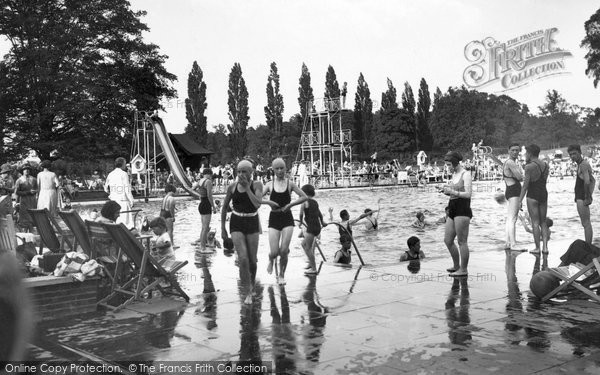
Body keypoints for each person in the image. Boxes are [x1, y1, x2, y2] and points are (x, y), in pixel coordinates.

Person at [221, 160, 274, 304]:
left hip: (252, 222)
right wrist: (222, 229)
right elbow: (224, 207)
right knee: (243, 258)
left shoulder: (257, 185)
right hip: (236, 221)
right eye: (238, 171)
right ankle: (247, 290)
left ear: (251, 173)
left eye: (244, 171)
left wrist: (247, 188)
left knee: (252, 260)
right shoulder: (232, 187)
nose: (241, 174)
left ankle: (251, 283)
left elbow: (257, 204)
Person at [262, 158, 308, 285]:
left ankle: (282, 275)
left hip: (287, 217)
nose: (280, 170)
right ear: (273, 170)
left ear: (285, 168)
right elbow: (257, 198)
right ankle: (271, 259)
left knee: (283, 250)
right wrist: (268, 202)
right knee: (274, 252)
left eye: (282, 168)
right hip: (274, 218)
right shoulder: (269, 185)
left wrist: (290, 205)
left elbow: (304, 196)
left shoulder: (290, 184)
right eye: (277, 168)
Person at [440, 151, 472, 277]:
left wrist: (452, 191)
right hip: (452, 207)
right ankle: (456, 266)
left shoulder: (466, 174)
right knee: (448, 240)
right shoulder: (454, 174)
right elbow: (453, 191)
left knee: (462, 241)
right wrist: (446, 190)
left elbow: (468, 194)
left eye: (448, 164)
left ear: (454, 162)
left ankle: (463, 269)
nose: (447, 167)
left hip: (462, 208)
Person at [518, 144, 549, 254]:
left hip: (533, 195)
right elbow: (543, 180)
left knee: (535, 223)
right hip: (543, 194)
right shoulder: (546, 165)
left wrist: (519, 200)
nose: (525, 155)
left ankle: (537, 248)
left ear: (530, 153)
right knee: (543, 222)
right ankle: (545, 247)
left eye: (526, 153)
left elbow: (525, 186)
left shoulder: (529, 166)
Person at [568, 144, 595, 244]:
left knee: (586, 223)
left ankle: (588, 246)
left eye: (574, 153)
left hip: (582, 197)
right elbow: (591, 180)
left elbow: (587, 181)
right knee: (586, 223)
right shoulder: (582, 164)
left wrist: (587, 197)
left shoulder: (583, 164)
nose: (572, 156)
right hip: (581, 196)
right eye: (570, 155)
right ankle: (589, 245)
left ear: (580, 153)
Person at [299, 184, 324, 275]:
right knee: (303, 244)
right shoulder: (315, 202)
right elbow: (319, 214)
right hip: (317, 226)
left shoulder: (304, 202)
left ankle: (313, 268)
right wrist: (323, 222)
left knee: (307, 248)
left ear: (304, 193)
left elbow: (301, 214)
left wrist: (300, 222)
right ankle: (311, 262)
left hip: (311, 227)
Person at [104, 157, 135, 229]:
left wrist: (111, 193)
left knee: (117, 220)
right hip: (123, 200)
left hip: (114, 200)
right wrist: (131, 200)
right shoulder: (124, 174)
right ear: (123, 164)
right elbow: (127, 189)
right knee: (126, 222)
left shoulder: (110, 174)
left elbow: (105, 188)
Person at [503, 143, 524, 250]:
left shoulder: (511, 162)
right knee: (512, 219)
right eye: (513, 150)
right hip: (513, 191)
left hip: (511, 190)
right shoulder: (511, 162)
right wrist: (521, 172)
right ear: (508, 151)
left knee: (509, 219)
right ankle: (513, 244)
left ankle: (507, 242)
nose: (515, 152)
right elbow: (520, 177)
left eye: (517, 150)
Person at [194, 168, 217, 253]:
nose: (211, 177)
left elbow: (193, 188)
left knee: (203, 228)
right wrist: (213, 207)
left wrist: (200, 195)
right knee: (205, 228)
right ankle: (203, 248)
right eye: (211, 175)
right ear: (209, 174)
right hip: (206, 204)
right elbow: (210, 196)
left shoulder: (200, 181)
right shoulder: (208, 182)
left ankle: (202, 245)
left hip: (201, 204)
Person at [14, 163, 38, 231]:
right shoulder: (19, 180)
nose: (26, 170)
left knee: (32, 217)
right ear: (22, 171)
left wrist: (35, 191)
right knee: (24, 218)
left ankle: (31, 234)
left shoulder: (34, 179)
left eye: (28, 169)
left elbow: (37, 189)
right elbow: (16, 192)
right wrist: (17, 203)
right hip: (23, 200)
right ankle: (24, 235)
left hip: (32, 200)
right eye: (25, 169)